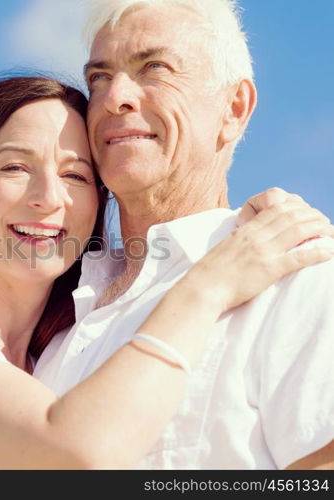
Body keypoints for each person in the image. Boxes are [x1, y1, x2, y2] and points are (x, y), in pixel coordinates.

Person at [0, 75, 333, 469]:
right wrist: (209, 285)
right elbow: (72, 458)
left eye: (75, 176)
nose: (49, 199)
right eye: (15, 167)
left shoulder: (51, 361)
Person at [33, 0, 334, 469]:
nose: (115, 98)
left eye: (155, 67)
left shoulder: (301, 278)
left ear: (234, 109)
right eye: (99, 77)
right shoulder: (51, 323)